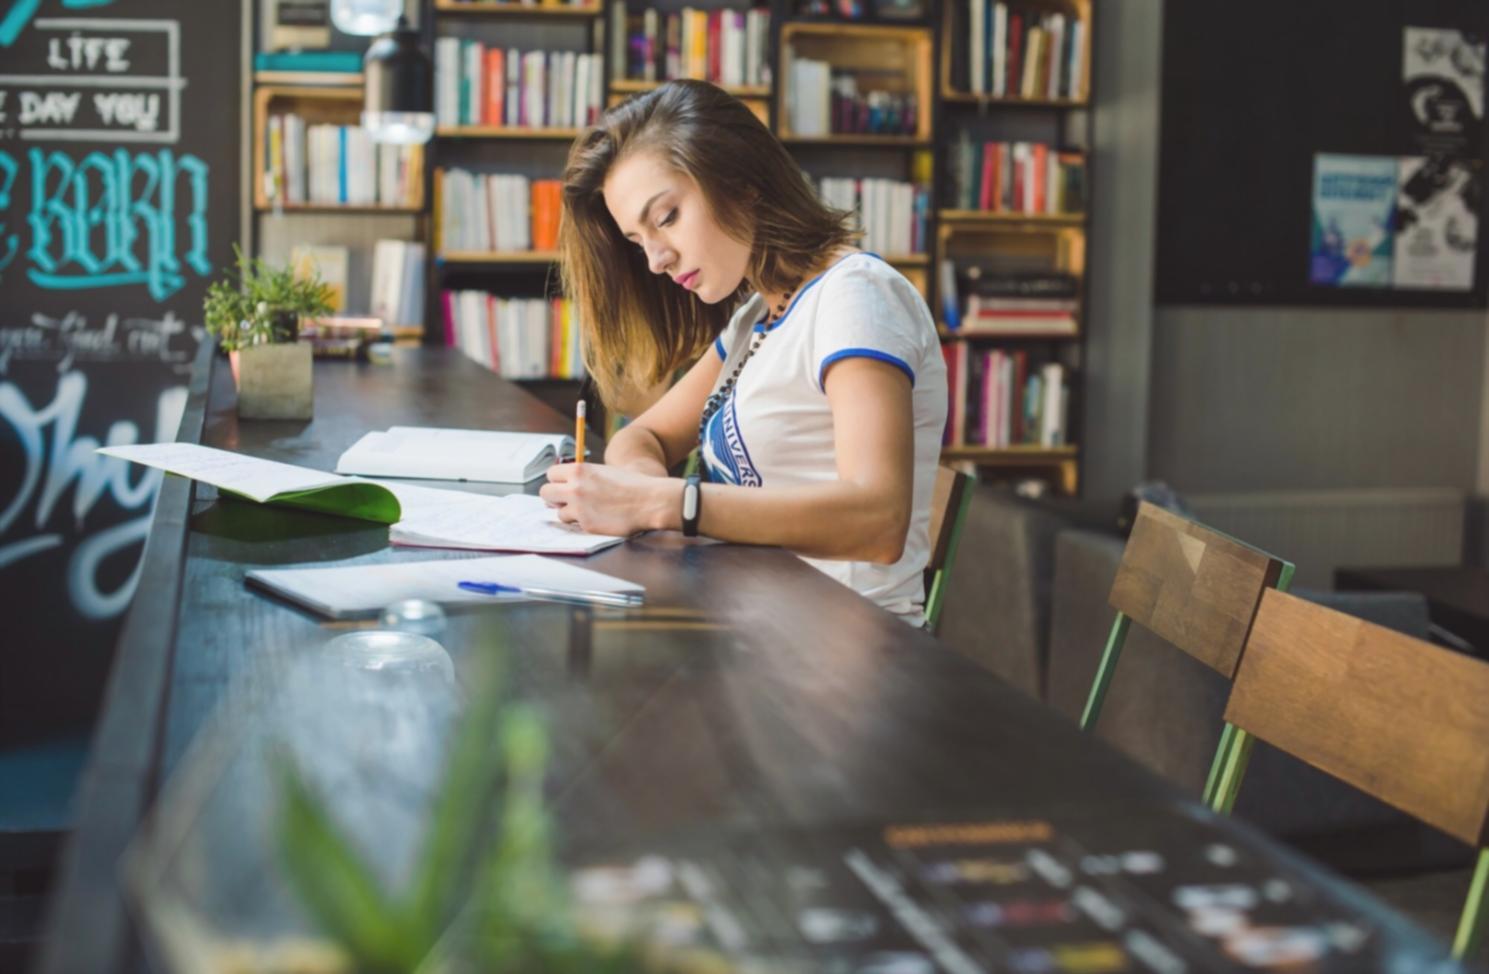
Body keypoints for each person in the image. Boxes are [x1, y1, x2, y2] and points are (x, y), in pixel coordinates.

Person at [545, 79, 947, 626]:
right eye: (638, 241)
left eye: (665, 218)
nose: (656, 260)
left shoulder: (856, 296)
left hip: (849, 652)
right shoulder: (757, 318)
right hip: (751, 626)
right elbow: (642, 436)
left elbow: (878, 521)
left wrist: (662, 504)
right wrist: (643, 487)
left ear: (741, 182)